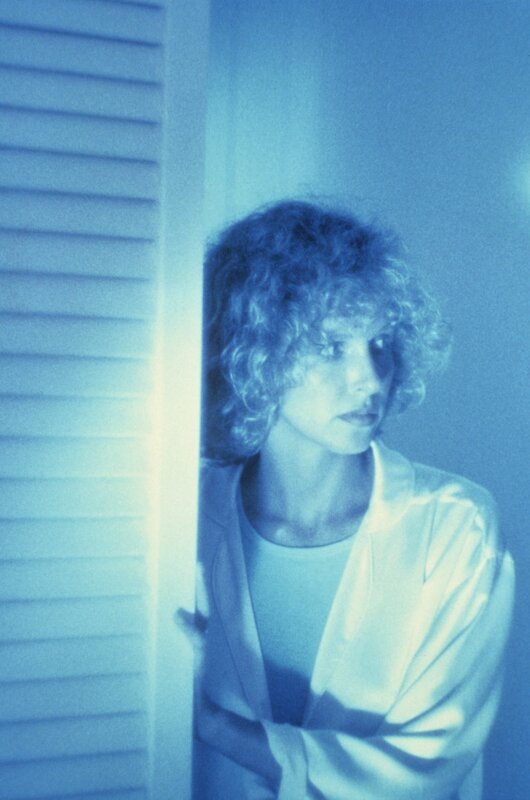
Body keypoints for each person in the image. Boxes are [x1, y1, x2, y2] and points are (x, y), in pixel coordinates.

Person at [180, 200, 514, 800]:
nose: (370, 376)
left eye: (379, 342)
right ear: (255, 352)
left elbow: (426, 769)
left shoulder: (454, 527)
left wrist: (217, 727)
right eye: (330, 346)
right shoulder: (180, 519)